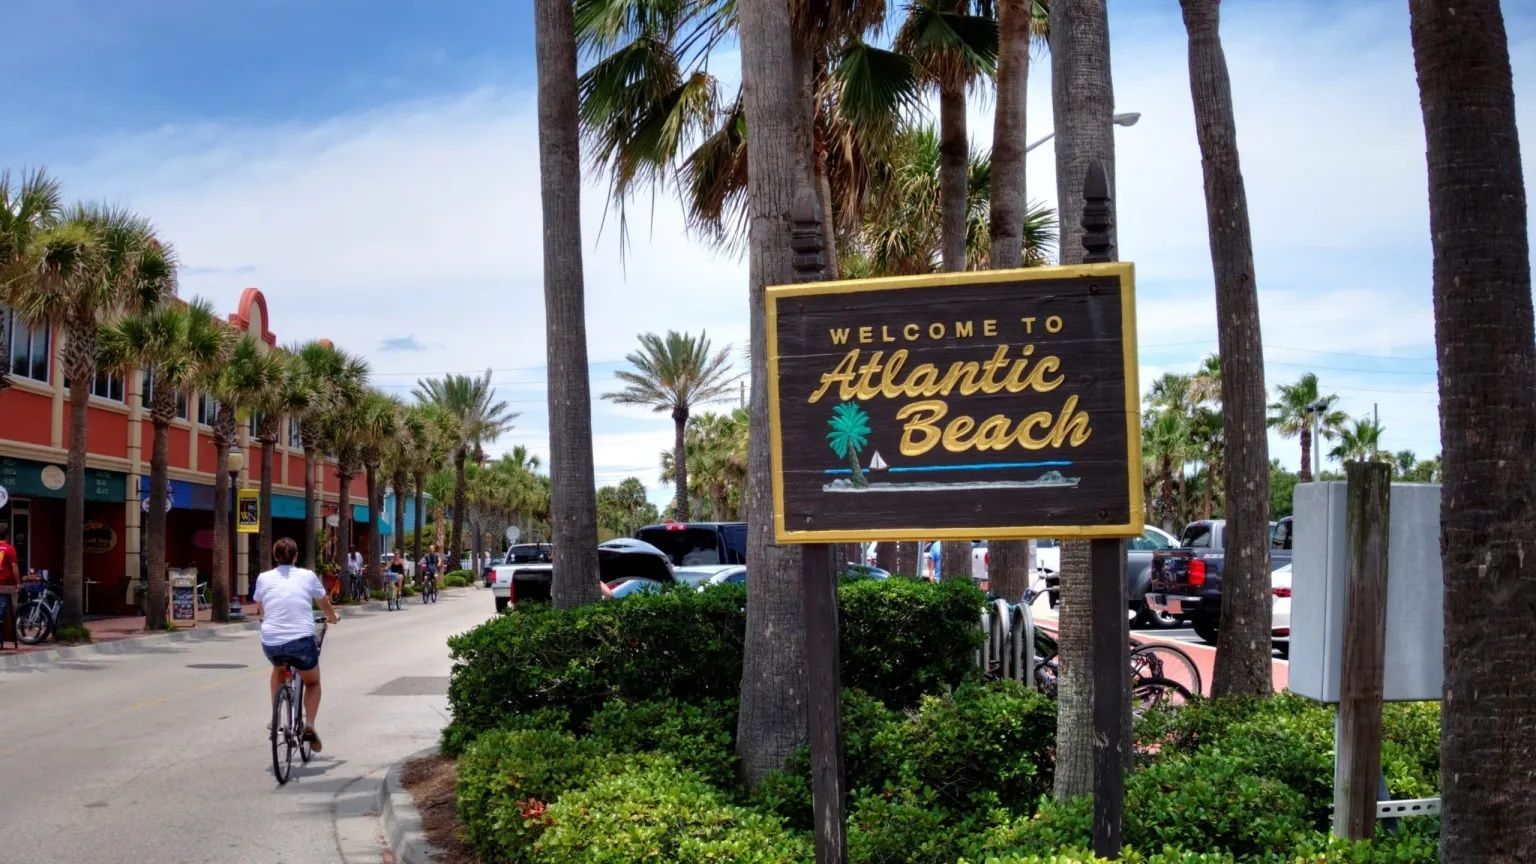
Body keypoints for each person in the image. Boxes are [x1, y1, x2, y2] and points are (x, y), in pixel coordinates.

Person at [254, 537, 338, 752]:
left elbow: (261, 607)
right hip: (300, 641)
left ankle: (277, 718)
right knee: (313, 682)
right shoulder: (307, 576)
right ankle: (309, 725)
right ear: (296, 556)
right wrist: (333, 617)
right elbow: (323, 602)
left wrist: (266, 620)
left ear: (275, 557)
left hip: (271, 641)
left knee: (278, 669)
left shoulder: (264, 578)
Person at [0, 523, 18, 632]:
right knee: (6, 610)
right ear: (7, 536)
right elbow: (14, 566)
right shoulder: (10, 549)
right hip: (5, 585)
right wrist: (18, 582)